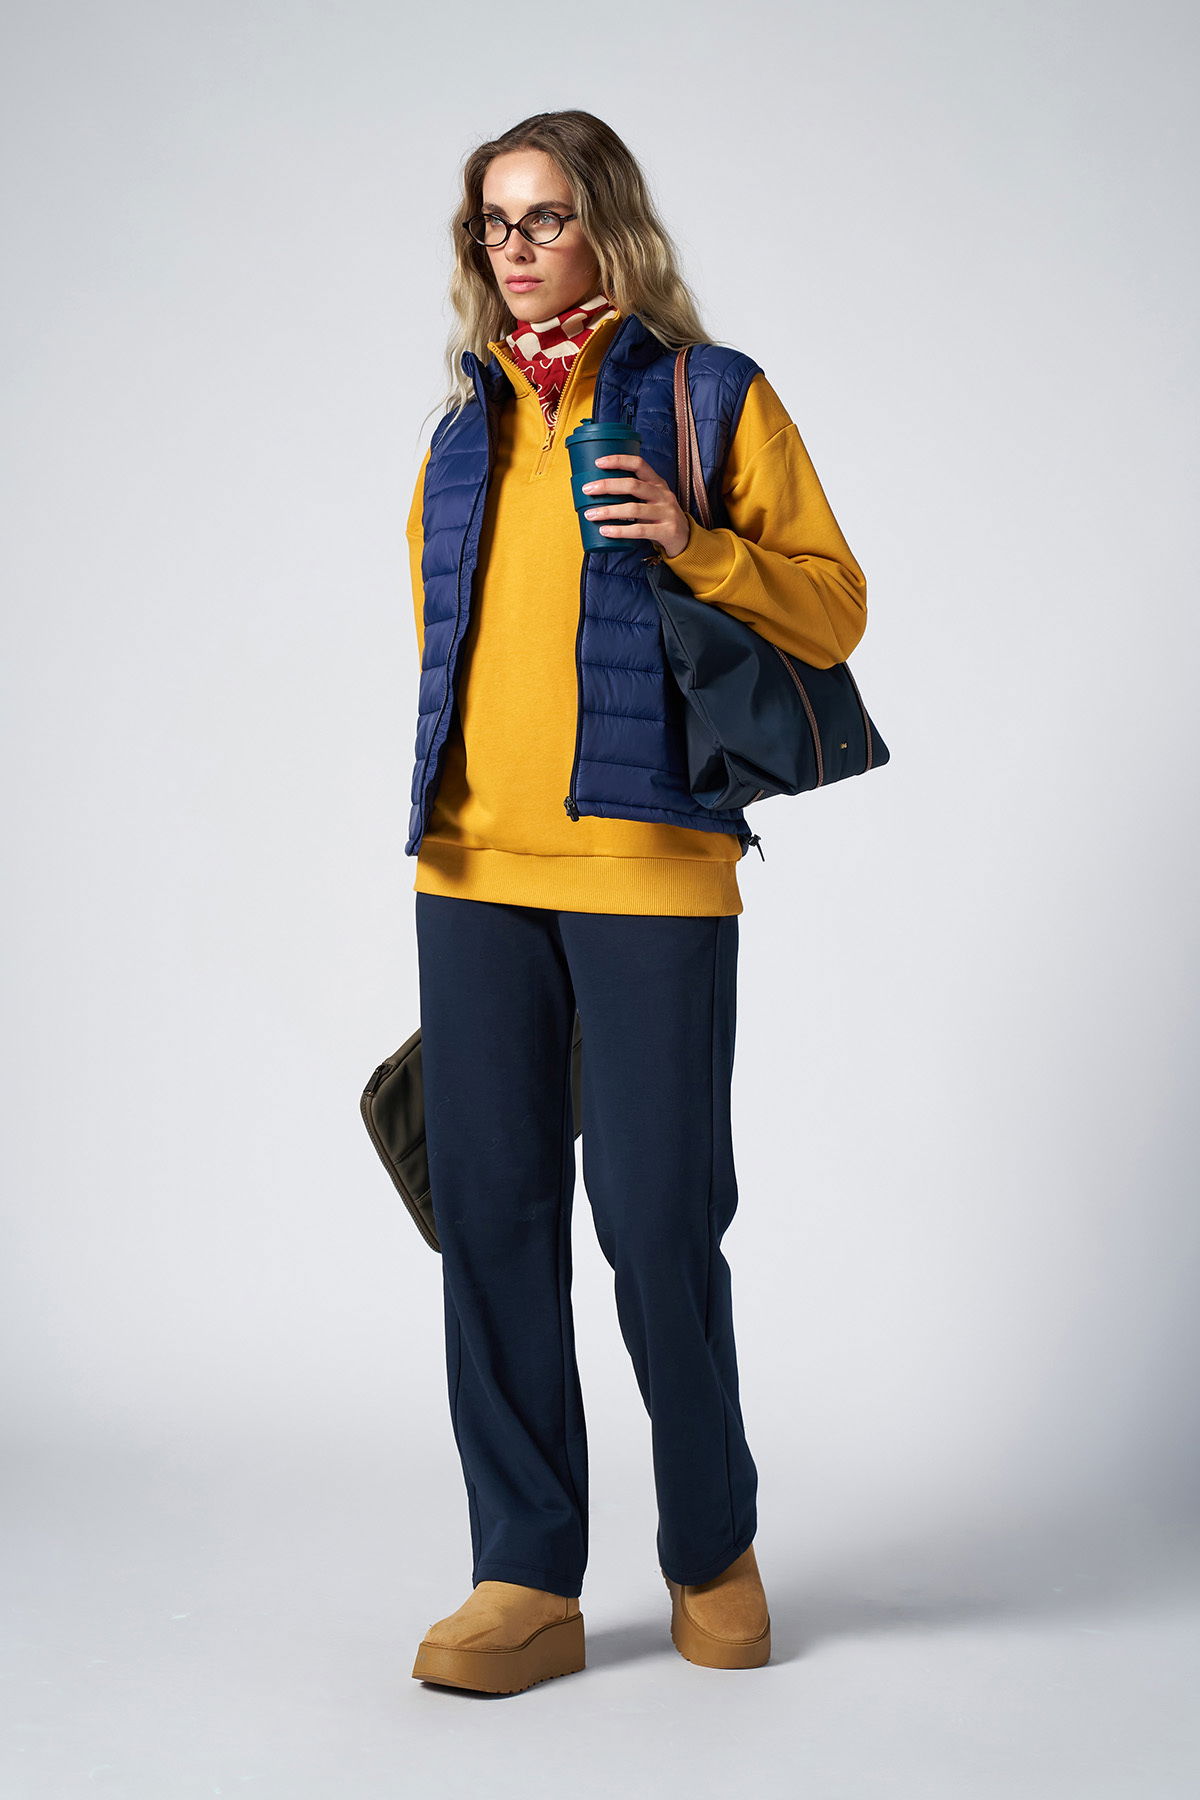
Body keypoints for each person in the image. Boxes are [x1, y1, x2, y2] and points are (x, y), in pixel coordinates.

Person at [404, 110, 867, 1695]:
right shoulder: (460, 434)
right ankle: (524, 1574)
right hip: (470, 873)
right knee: (490, 1219)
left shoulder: (708, 397)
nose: (515, 248)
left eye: (544, 217)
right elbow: (443, 652)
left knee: (660, 1222)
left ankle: (711, 1548)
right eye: (494, 224)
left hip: (654, 868)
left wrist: (700, 544)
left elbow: (834, 606)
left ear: (608, 222)